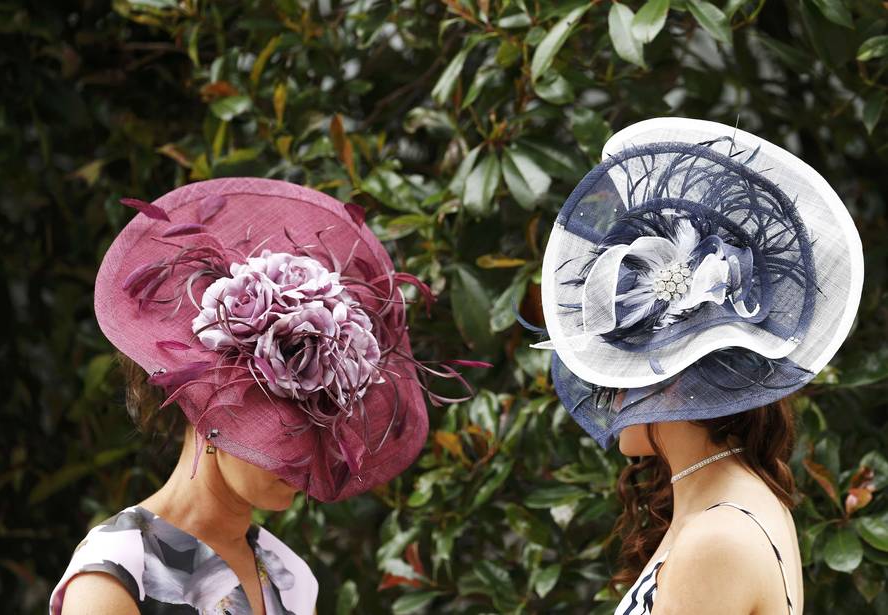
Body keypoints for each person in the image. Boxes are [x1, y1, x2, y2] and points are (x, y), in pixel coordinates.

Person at [51, 178, 477, 614]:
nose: (313, 459)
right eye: (286, 431)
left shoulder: (286, 576)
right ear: (210, 411)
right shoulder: (117, 575)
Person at [534, 117, 864, 614]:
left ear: (683, 377)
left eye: (629, 363)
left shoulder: (717, 537)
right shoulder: (727, 503)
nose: (610, 390)